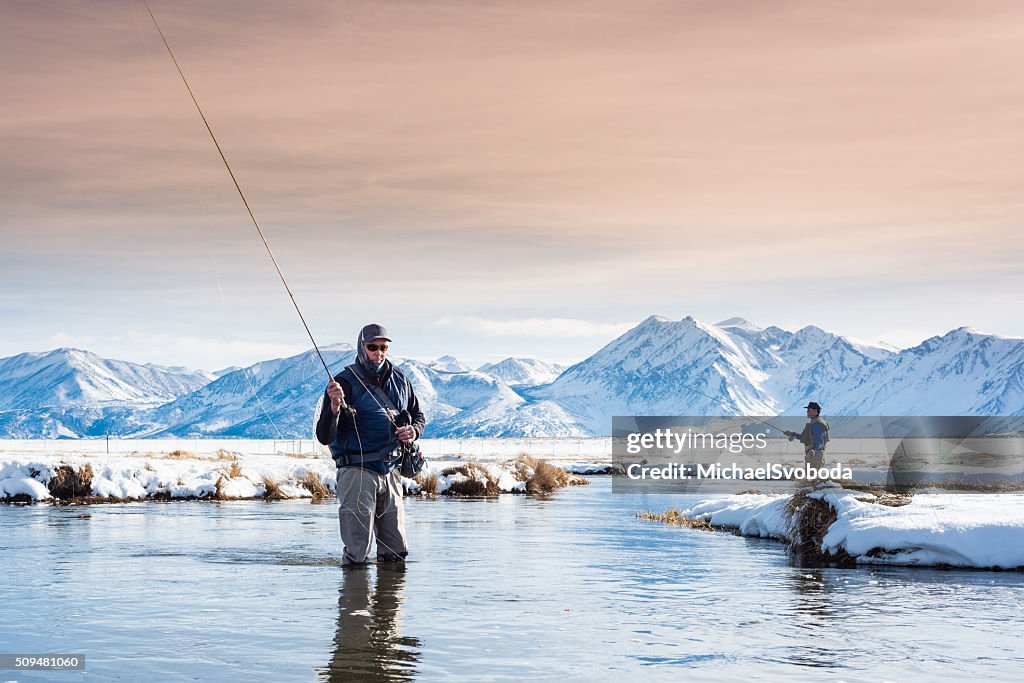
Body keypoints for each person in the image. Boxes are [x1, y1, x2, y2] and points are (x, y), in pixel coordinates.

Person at [315, 323, 425, 566]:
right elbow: (324, 436)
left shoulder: (400, 379)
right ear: (361, 347)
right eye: (372, 347)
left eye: (383, 347)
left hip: (392, 470)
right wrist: (334, 407)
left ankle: (390, 601)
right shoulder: (343, 383)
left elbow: (418, 416)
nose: (378, 352)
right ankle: (355, 600)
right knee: (357, 555)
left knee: (396, 553)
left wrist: (413, 431)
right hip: (357, 472)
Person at [785, 402, 829, 469]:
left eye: (809, 410)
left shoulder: (817, 423)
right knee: (811, 477)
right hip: (813, 454)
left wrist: (814, 450)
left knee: (811, 477)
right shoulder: (815, 422)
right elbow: (806, 438)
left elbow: (820, 440)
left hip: (815, 455)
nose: (807, 412)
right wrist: (792, 434)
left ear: (815, 411)